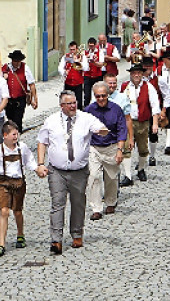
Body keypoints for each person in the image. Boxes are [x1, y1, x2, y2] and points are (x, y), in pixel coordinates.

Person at [37, 91, 109, 254]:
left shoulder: (85, 118)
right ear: (61, 106)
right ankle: (56, 240)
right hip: (57, 171)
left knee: (78, 203)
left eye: (74, 102)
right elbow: (42, 141)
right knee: (58, 203)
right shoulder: (51, 121)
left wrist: (102, 131)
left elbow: (99, 127)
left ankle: (77, 234)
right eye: (69, 104)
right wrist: (40, 164)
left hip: (79, 171)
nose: (72, 106)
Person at [0, 121, 41, 256]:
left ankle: (20, 234)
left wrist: (37, 170)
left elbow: (30, 161)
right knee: (4, 211)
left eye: (17, 134)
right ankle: (1, 244)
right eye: (13, 134)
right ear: (5, 135)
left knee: (17, 211)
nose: (16, 137)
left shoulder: (22, 148)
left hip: (19, 183)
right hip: (3, 183)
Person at [83, 81, 129, 220]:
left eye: (103, 96)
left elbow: (122, 130)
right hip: (94, 147)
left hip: (111, 147)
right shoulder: (88, 110)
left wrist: (120, 149)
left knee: (111, 177)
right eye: (98, 96)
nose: (101, 99)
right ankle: (96, 208)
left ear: (108, 95)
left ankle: (110, 202)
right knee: (94, 177)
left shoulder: (116, 109)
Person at [124, 59, 165, 181]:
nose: (136, 75)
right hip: (128, 121)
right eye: (134, 73)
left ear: (142, 74)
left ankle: (141, 169)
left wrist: (155, 123)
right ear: (131, 74)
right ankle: (127, 175)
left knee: (143, 149)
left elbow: (154, 106)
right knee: (127, 148)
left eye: (138, 73)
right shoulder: (125, 87)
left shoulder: (149, 87)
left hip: (142, 122)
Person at [106, 74, 138, 186]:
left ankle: (128, 176)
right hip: (106, 133)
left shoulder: (122, 97)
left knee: (126, 152)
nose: (112, 85)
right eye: (110, 83)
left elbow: (128, 118)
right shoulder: (99, 97)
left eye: (114, 83)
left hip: (120, 130)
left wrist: (131, 137)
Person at [2, 50, 38, 135]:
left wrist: (34, 99)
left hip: (20, 99)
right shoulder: (6, 68)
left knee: (18, 120)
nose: (17, 63)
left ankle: (17, 138)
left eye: (18, 61)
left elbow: (31, 84)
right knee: (10, 120)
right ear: (12, 60)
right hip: (9, 100)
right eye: (15, 61)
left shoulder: (25, 68)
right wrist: (4, 78)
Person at [59, 41, 90, 106]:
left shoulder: (82, 57)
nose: (72, 51)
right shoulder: (66, 57)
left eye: (73, 49)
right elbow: (60, 67)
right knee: (66, 101)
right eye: (71, 49)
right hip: (68, 82)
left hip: (78, 83)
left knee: (78, 102)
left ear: (77, 49)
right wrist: (64, 72)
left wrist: (77, 62)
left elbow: (86, 68)